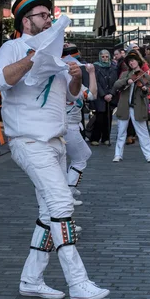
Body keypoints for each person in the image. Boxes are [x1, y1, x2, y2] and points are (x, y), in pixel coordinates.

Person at [0, 0, 109, 299]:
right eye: (42, 15)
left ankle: (31, 279)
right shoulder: (12, 46)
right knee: (61, 205)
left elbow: (75, 97)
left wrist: (74, 77)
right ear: (25, 21)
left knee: (48, 213)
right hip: (29, 141)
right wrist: (33, 58)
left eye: (48, 15)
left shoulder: (57, 54)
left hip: (56, 142)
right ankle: (78, 282)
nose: (48, 20)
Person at [63, 57, 96, 206]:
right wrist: (92, 73)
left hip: (67, 126)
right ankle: (68, 191)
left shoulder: (62, 82)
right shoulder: (71, 84)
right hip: (68, 126)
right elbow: (92, 94)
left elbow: (91, 94)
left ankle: (69, 186)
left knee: (64, 161)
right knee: (81, 157)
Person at [112, 50, 150, 163]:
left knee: (143, 133)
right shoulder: (125, 74)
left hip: (137, 107)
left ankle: (149, 155)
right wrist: (127, 80)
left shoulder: (145, 76)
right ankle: (118, 154)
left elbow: (145, 94)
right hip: (124, 107)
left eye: (133, 61)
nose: (131, 63)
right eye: (130, 61)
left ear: (138, 62)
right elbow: (116, 85)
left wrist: (144, 89)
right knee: (121, 132)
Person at [90, 50, 117, 146]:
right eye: (103, 57)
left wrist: (111, 94)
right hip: (100, 96)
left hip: (110, 96)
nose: (105, 58)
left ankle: (106, 137)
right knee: (99, 118)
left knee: (108, 117)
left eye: (106, 56)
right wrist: (103, 94)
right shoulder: (96, 67)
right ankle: (95, 137)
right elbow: (95, 82)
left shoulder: (113, 67)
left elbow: (115, 82)